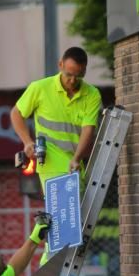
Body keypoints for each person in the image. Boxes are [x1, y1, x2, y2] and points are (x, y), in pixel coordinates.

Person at [10, 46, 102, 189]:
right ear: (60, 65)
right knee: (66, 207)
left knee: (73, 209)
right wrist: (27, 142)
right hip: (50, 164)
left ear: (84, 71)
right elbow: (16, 114)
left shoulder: (92, 94)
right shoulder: (40, 88)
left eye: (78, 76)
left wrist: (77, 158)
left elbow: (88, 130)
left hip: (75, 163)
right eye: (69, 74)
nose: (72, 81)